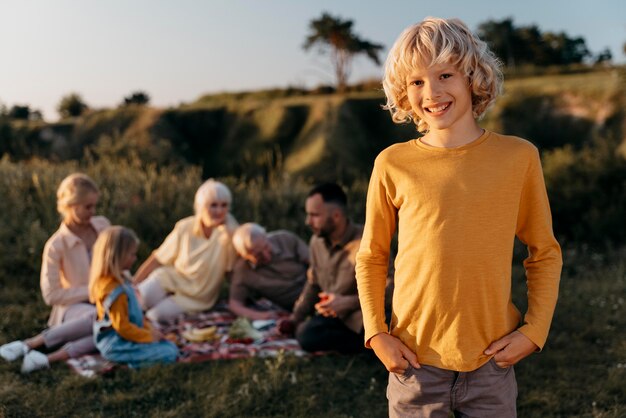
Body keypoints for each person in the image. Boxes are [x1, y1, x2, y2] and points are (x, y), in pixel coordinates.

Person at [355, 17, 563, 417]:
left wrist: (535, 332)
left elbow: (544, 251)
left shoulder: (519, 157)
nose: (431, 92)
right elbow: (371, 256)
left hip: (491, 363)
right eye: (415, 82)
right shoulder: (392, 164)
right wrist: (376, 332)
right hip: (413, 363)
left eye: (445, 74)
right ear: (403, 92)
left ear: (472, 76)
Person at [0, 173, 110, 373]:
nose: (93, 212)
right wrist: (93, 291)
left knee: (110, 326)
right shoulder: (55, 245)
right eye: (87, 207)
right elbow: (51, 295)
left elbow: (117, 263)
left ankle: (41, 357)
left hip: (107, 300)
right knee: (104, 319)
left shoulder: (103, 226)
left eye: (95, 206)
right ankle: (31, 344)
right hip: (72, 308)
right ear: (70, 205)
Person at [133, 179, 238, 323]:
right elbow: (158, 258)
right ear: (201, 207)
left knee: (155, 316)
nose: (219, 211)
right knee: (136, 299)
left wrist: (238, 303)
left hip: (197, 296)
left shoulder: (231, 234)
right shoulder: (185, 227)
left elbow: (232, 272)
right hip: (172, 279)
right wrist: (133, 284)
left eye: (224, 205)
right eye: (213, 205)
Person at [282, 183, 364, 354]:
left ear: (336, 216)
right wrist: (294, 318)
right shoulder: (316, 242)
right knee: (306, 334)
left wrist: (348, 302)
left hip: (362, 317)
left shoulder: (366, 241)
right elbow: (313, 283)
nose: (308, 221)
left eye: (314, 215)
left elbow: (390, 289)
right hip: (333, 319)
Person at [90, 226, 178, 368]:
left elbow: (134, 316)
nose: (135, 258)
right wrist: (148, 337)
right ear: (117, 256)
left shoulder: (121, 281)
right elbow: (123, 328)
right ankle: (124, 365)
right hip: (118, 344)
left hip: (130, 336)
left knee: (168, 345)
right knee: (169, 353)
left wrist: (150, 331)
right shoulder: (114, 290)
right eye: (132, 254)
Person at [229, 223, 309, 320]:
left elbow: (316, 264)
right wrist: (261, 316)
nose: (266, 256)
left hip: (313, 291)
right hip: (293, 306)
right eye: (258, 255)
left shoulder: (285, 239)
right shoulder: (242, 270)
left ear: (266, 237)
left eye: (266, 247)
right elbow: (235, 304)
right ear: (244, 255)